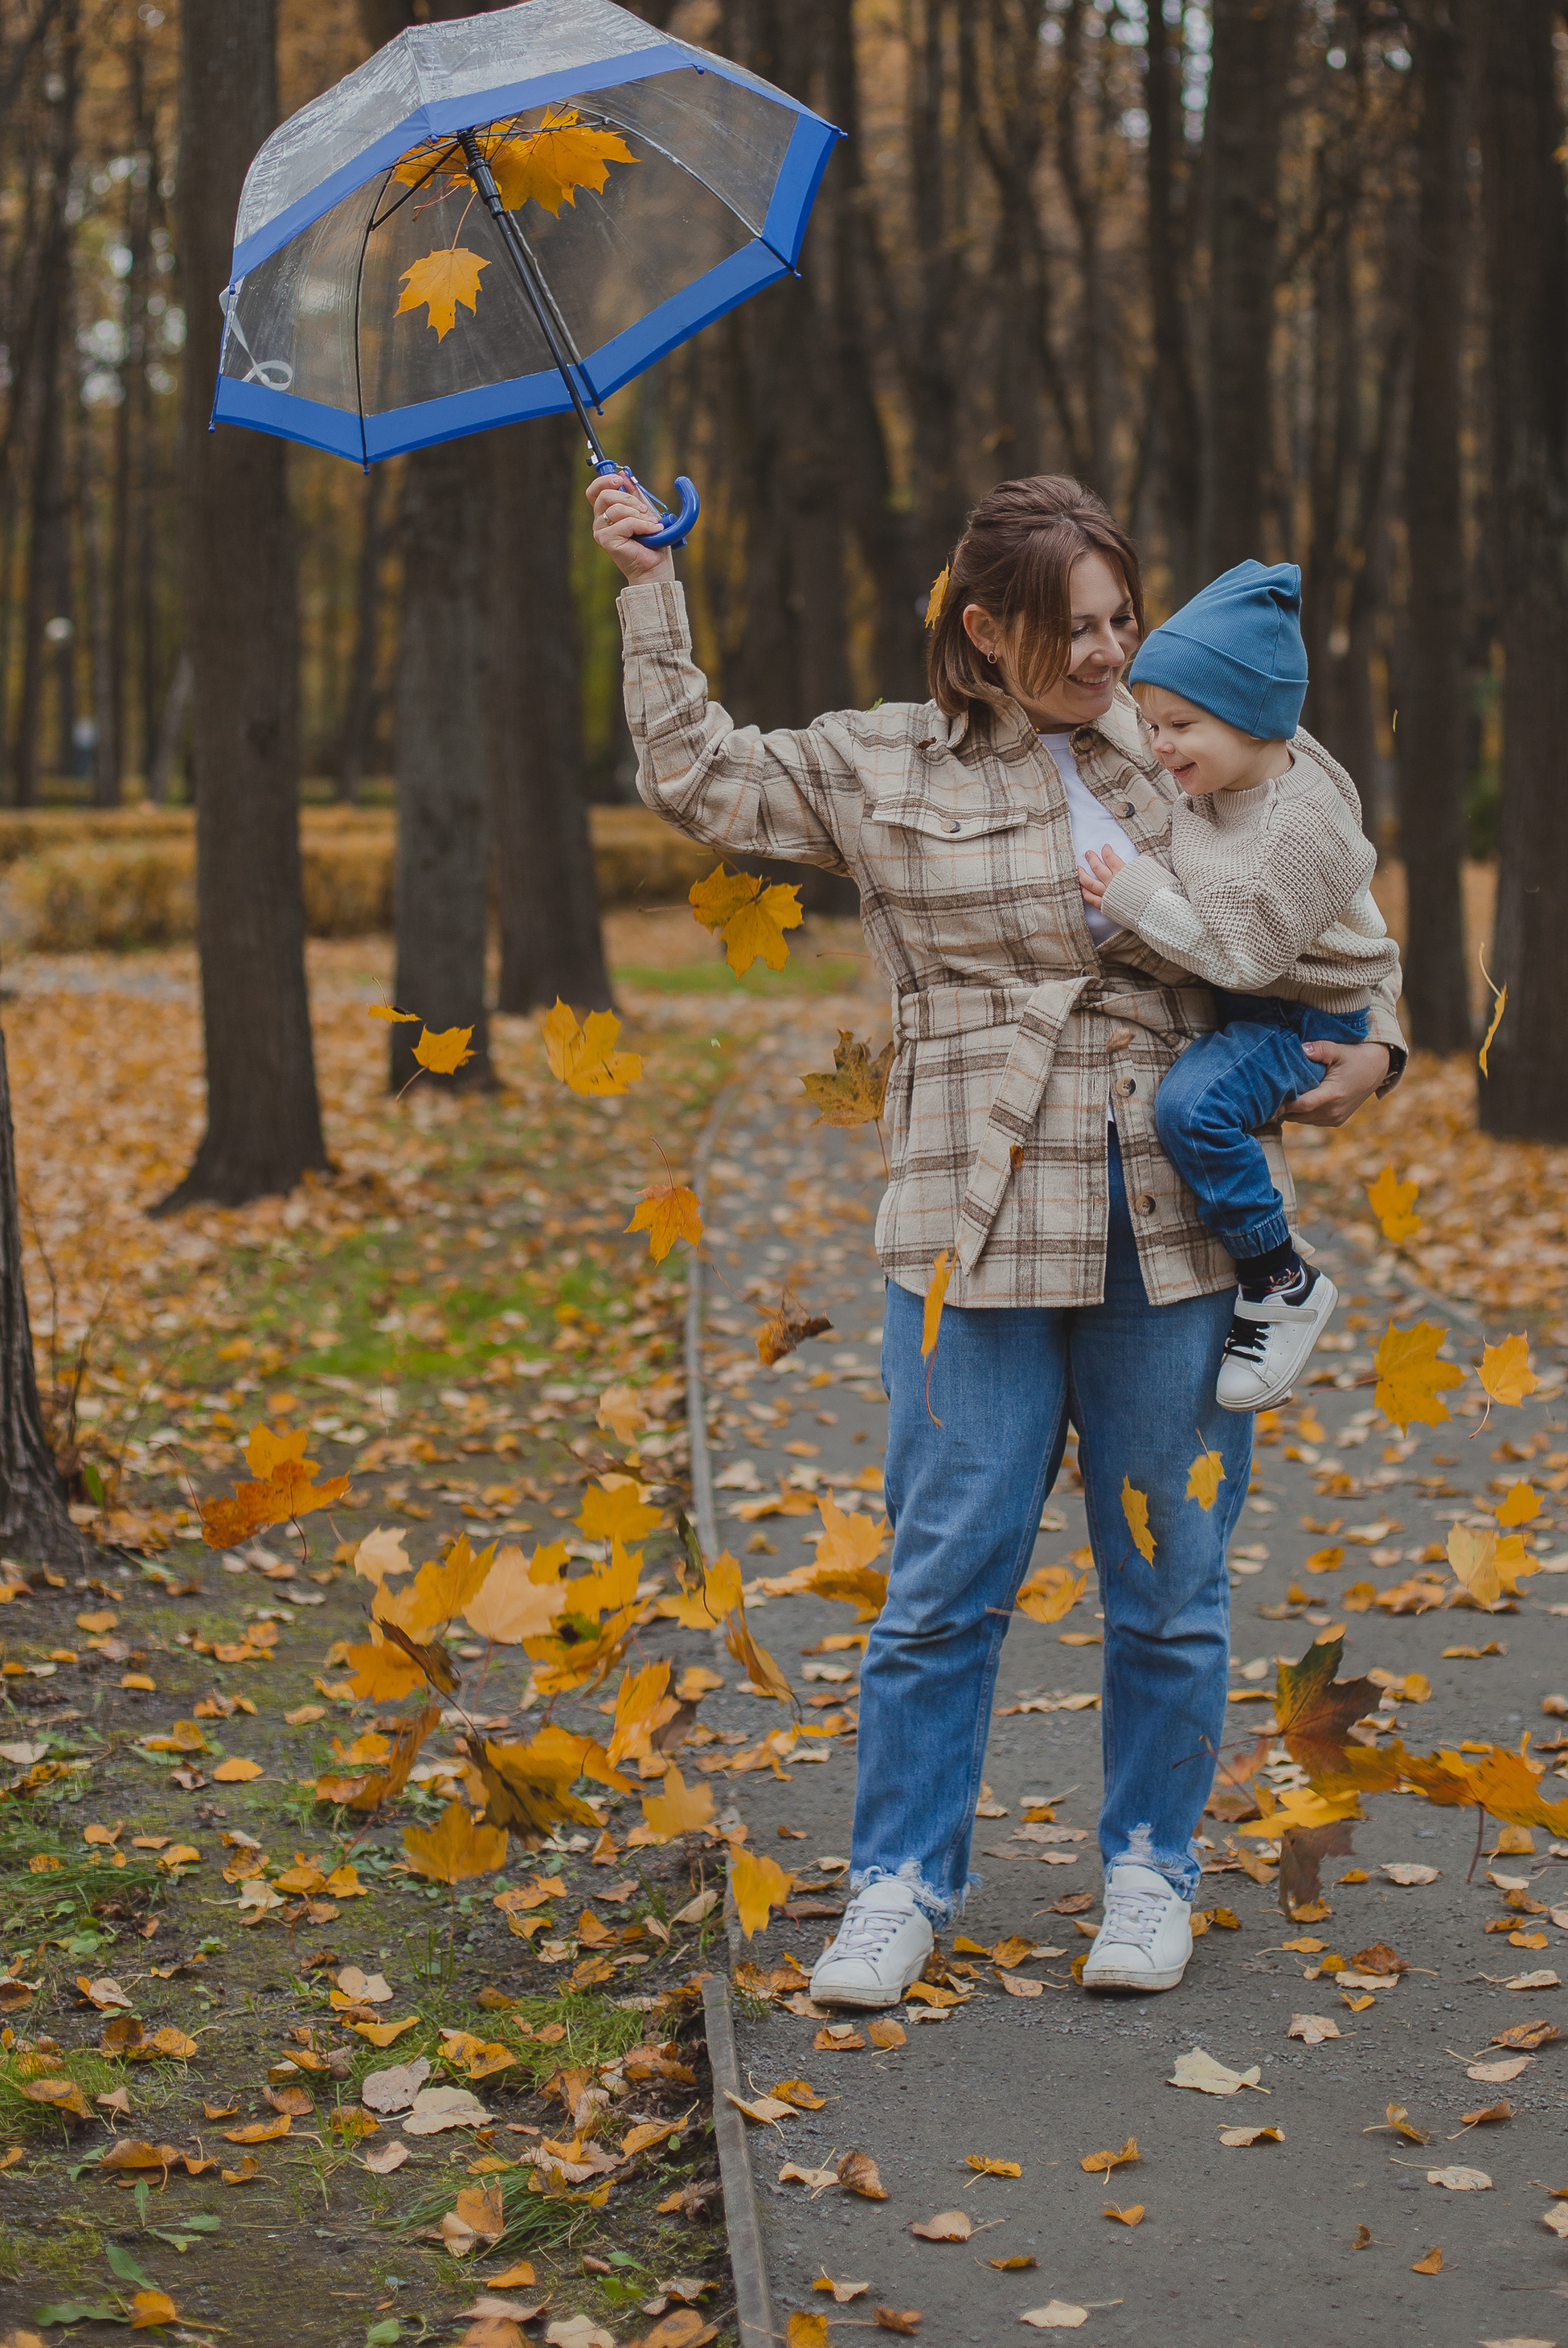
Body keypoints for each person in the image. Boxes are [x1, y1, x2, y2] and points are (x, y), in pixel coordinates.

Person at [590, 472, 1395, 2008]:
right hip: (975, 1218)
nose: (1110, 657)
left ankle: (1152, 1866)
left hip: (1173, 1228)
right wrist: (647, 586)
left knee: (1168, 1572)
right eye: (1074, 630)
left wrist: (1387, 1047)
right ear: (983, 629)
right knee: (944, 1573)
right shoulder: (881, 765)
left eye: (1122, 621)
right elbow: (697, 774)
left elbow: (1326, 897)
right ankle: (898, 1881)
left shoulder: (1185, 747)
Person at [1074, 558, 1404, 1414]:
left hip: (1298, 1016)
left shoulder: (1298, 830)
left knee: (1194, 1108)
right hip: (1275, 995)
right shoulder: (1238, 767)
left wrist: (1136, 897)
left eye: (1180, 725)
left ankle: (1279, 1277)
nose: (1160, 747)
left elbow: (1245, 958)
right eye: (1152, 726)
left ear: (1255, 718)